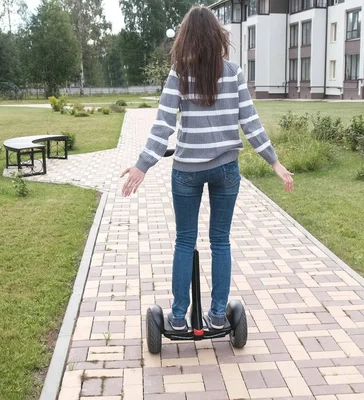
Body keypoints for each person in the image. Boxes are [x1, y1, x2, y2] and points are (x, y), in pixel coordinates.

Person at [121, 5, 294, 331]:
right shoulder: (233, 72)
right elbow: (250, 122)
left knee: (185, 241)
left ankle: (177, 318)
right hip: (226, 169)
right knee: (221, 241)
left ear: (185, 39)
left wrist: (141, 166)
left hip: (187, 171)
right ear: (218, 37)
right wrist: (274, 161)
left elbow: (163, 126)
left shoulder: (178, 73)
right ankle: (217, 316)